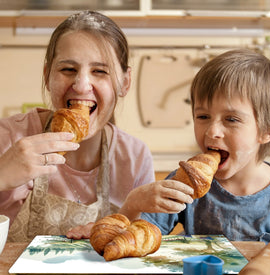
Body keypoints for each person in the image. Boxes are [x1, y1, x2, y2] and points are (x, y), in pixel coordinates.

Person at [69, 49, 270, 246]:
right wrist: (126, 212)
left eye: (231, 119)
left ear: (269, 129)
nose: (212, 131)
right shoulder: (184, 183)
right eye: (203, 116)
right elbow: (138, 237)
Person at [0, 10, 155, 242]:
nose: (82, 86)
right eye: (68, 69)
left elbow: (143, 244)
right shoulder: (9, 138)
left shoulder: (134, 157)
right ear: (46, 76)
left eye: (100, 71)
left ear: (125, 82)